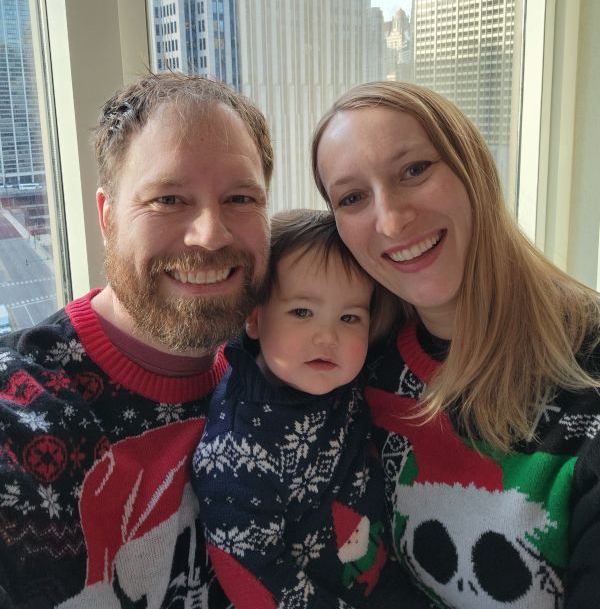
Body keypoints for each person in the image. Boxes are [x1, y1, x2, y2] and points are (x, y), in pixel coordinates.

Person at [311, 80, 600, 609]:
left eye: (415, 170)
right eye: (352, 197)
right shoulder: (352, 368)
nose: (393, 219)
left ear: (474, 168)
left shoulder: (589, 373)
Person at [0, 73, 273, 609]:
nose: (210, 234)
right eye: (168, 199)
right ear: (107, 217)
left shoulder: (293, 370)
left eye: (240, 198)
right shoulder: (20, 413)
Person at [192, 209, 396, 609]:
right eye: (302, 312)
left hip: (381, 579)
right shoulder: (236, 449)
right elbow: (253, 574)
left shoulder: (347, 379)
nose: (328, 336)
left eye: (349, 317)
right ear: (254, 318)